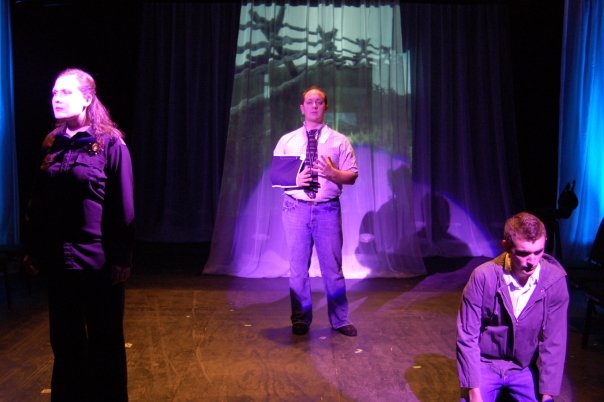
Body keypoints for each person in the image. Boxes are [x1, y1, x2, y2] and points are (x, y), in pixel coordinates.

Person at [23, 68, 135, 402]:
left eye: (66, 92)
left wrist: (122, 257)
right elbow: (37, 201)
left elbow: (123, 206)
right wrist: (34, 249)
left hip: (97, 262)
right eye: (54, 93)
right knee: (65, 341)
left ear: (87, 99)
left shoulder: (110, 143)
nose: (56, 98)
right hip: (59, 261)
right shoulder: (51, 142)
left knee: (105, 341)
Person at [273, 86, 359, 337]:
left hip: (327, 210)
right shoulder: (288, 140)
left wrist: (334, 174)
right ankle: (300, 319)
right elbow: (276, 175)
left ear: (326, 107)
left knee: (332, 268)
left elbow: (352, 175)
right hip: (296, 209)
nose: (314, 106)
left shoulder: (339, 141)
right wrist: (296, 180)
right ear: (302, 108)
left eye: (319, 102)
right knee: (298, 268)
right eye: (309, 102)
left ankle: (340, 320)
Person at [456, 212, 568, 402]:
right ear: (506, 246)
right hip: (485, 364)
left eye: (538, 252)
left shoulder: (554, 281)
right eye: (523, 253)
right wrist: (473, 391)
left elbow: (554, 342)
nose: (532, 261)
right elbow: (467, 336)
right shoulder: (483, 277)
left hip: (523, 367)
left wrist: (547, 395)